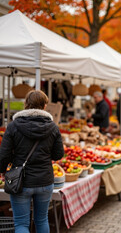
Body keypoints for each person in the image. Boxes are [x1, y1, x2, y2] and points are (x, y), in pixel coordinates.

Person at [0, 90, 64, 233]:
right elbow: (58, 154)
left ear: (26, 104)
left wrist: (4, 171)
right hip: (45, 180)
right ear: (44, 106)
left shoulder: (13, 126)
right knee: (41, 220)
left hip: (21, 182)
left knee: (22, 223)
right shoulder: (53, 127)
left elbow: (3, 155)